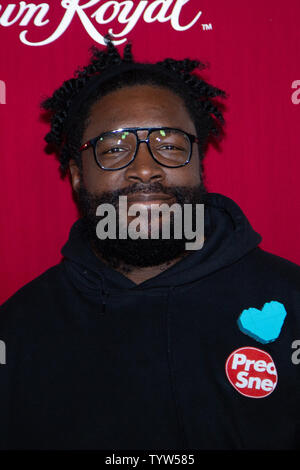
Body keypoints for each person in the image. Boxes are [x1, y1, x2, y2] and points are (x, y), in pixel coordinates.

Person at [0, 38, 300, 451]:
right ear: (75, 174)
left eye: (170, 146)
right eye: (115, 148)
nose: (145, 168)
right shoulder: (19, 329)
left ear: (199, 164)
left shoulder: (291, 300)